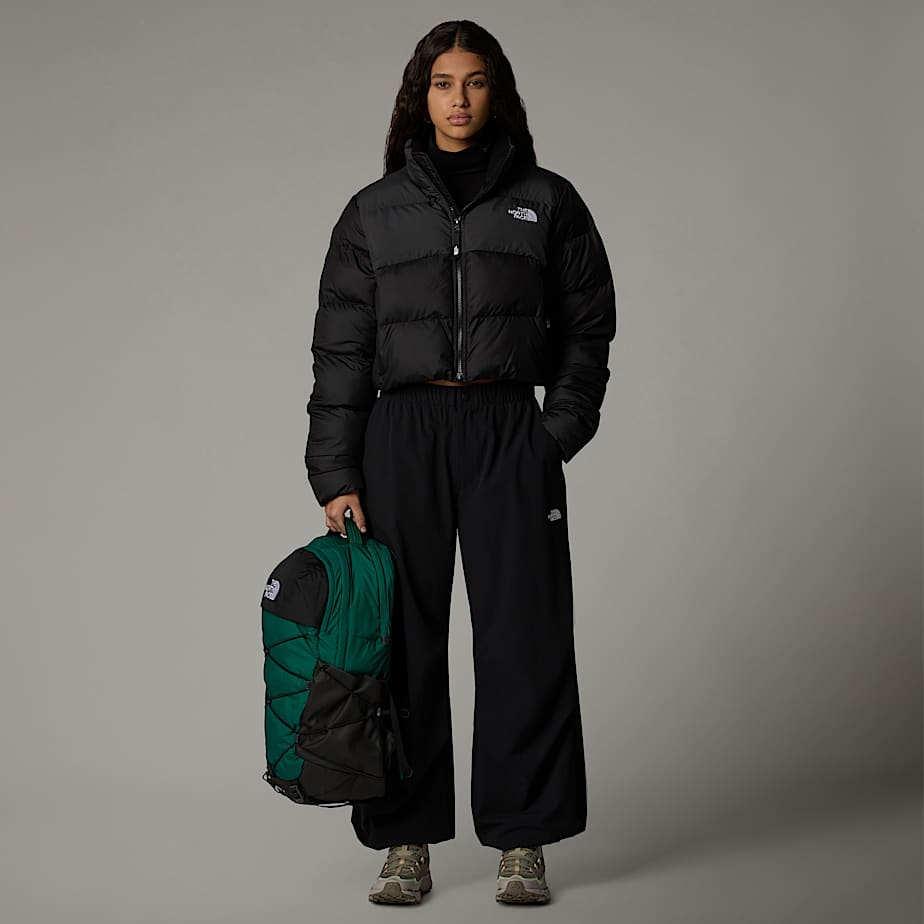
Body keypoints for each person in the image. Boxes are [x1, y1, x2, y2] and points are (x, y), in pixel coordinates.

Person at [304, 19, 616, 905]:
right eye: (443, 83)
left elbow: (589, 324)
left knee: (525, 635)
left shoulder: (547, 201)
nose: (459, 99)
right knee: (399, 641)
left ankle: (523, 841)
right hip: (401, 432)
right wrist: (337, 472)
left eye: (474, 81)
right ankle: (404, 841)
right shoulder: (373, 211)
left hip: (506, 428)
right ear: (421, 95)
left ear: (497, 91)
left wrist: (555, 433)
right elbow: (341, 351)